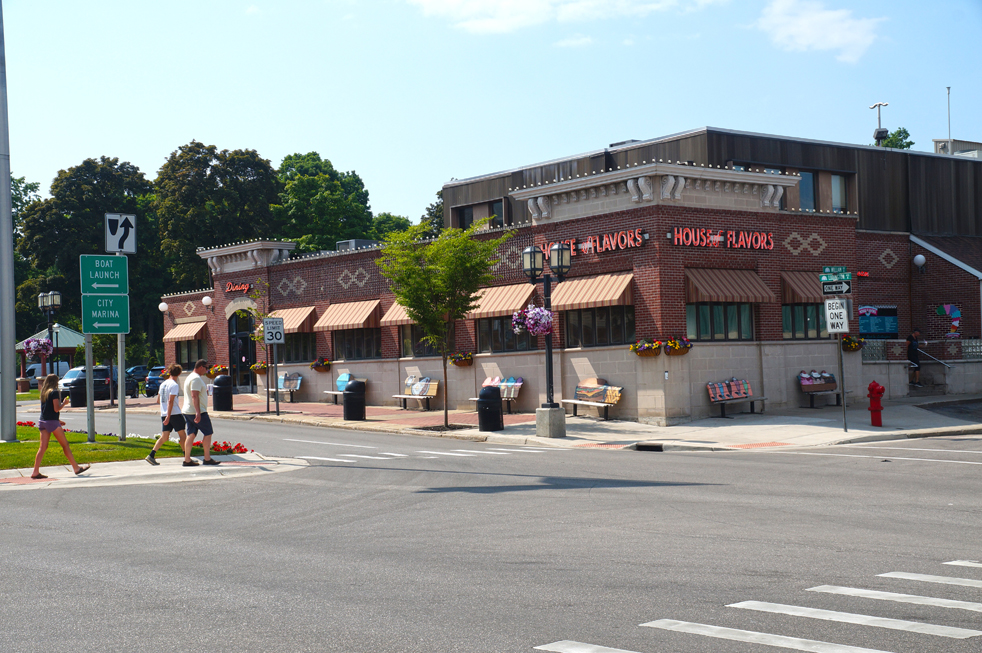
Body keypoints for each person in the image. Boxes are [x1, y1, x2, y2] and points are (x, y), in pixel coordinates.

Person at [31, 374, 90, 479]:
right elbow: (56, 409)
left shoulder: (44, 393)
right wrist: (64, 403)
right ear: (55, 382)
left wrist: (58, 420)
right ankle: (76, 468)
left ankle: (35, 471)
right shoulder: (54, 392)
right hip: (52, 423)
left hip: (43, 421)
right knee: (65, 445)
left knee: (42, 447)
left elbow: (47, 410)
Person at [146, 364, 197, 466]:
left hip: (164, 413)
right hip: (174, 414)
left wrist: (166, 414)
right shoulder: (174, 385)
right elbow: (171, 401)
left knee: (164, 436)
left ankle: (151, 455)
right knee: (183, 436)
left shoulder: (163, 384)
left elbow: (158, 400)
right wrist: (169, 416)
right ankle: (187, 458)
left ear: (169, 372)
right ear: (179, 373)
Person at [182, 359, 220, 466]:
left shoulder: (190, 377)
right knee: (208, 433)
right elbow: (194, 395)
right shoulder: (196, 378)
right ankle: (207, 458)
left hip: (188, 410)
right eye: (206, 368)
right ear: (201, 367)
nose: (206, 370)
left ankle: (187, 459)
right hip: (197, 411)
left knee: (191, 434)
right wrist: (198, 413)